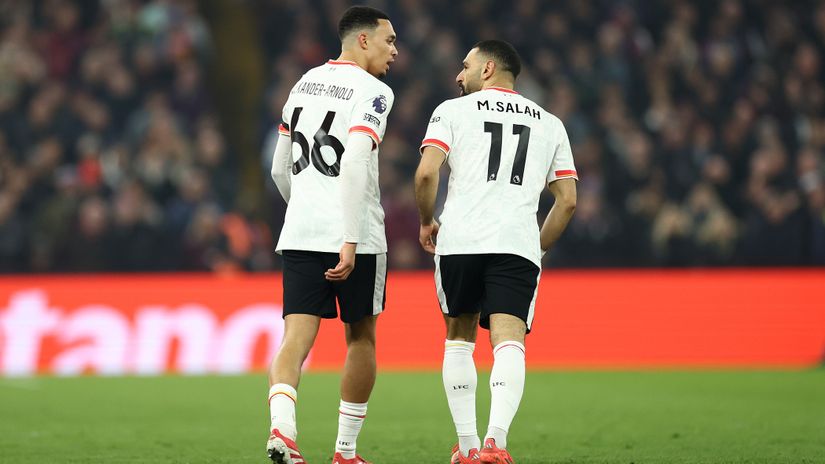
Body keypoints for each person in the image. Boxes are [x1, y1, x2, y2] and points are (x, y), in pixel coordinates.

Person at [414, 40, 577, 464]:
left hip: (461, 242)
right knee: (509, 342)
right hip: (515, 245)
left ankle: (467, 447)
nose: (458, 75)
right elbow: (568, 200)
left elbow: (427, 171)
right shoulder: (550, 123)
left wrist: (426, 219)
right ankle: (495, 444)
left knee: (458, 341)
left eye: (464, 66)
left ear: (487, 69)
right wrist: (536, 245)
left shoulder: (451, 111)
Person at [266, 6, 397, 464]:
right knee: (361, 338)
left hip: (300, 229)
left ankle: (283, 433)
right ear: (363, 41)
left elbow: (278, 168)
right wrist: (348, 235)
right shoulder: (374, 92)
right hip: (356, 235)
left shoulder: (303, 82)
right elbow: (356, 159)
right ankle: (345, 452)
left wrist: (306, 209)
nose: (394, 51)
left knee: (294, 342)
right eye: (389, 41)